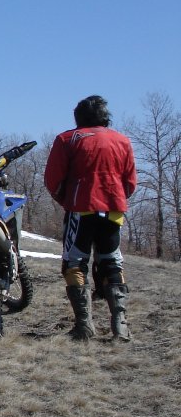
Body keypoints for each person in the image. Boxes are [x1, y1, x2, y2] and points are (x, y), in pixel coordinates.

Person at [44, 95, 137, 341]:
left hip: (81, 207)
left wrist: (67, 200)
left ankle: (84, 326)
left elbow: (53, 179)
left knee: (74, 264)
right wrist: (116, 197)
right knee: (112, 262)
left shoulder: (68, 139)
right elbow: (130, 182)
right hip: (114, 208)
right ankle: (120, 326)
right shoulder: (122, 140)